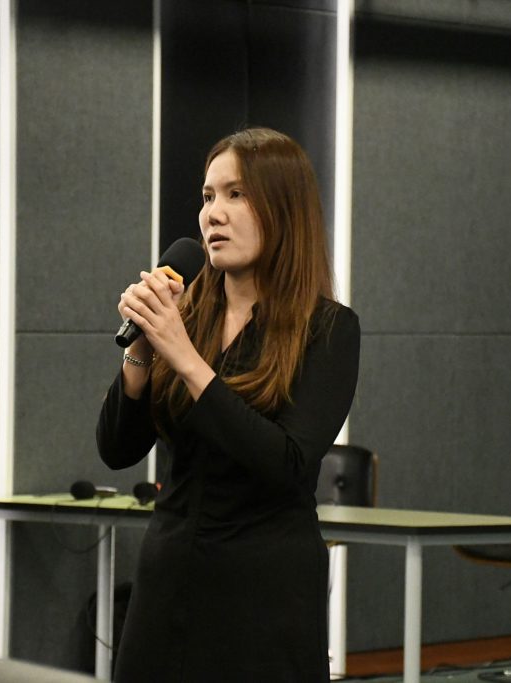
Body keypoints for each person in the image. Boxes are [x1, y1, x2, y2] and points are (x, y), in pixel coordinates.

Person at [96, 127, 360, 682]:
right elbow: (117, 450)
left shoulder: (327, 329)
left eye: (236, 194)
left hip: (263, 590)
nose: (213, 214)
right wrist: (141, 350)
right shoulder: (188, 316)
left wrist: (187, 359)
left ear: (283, 208)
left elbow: (286, 464)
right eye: (208, 196)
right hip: (169, 573)